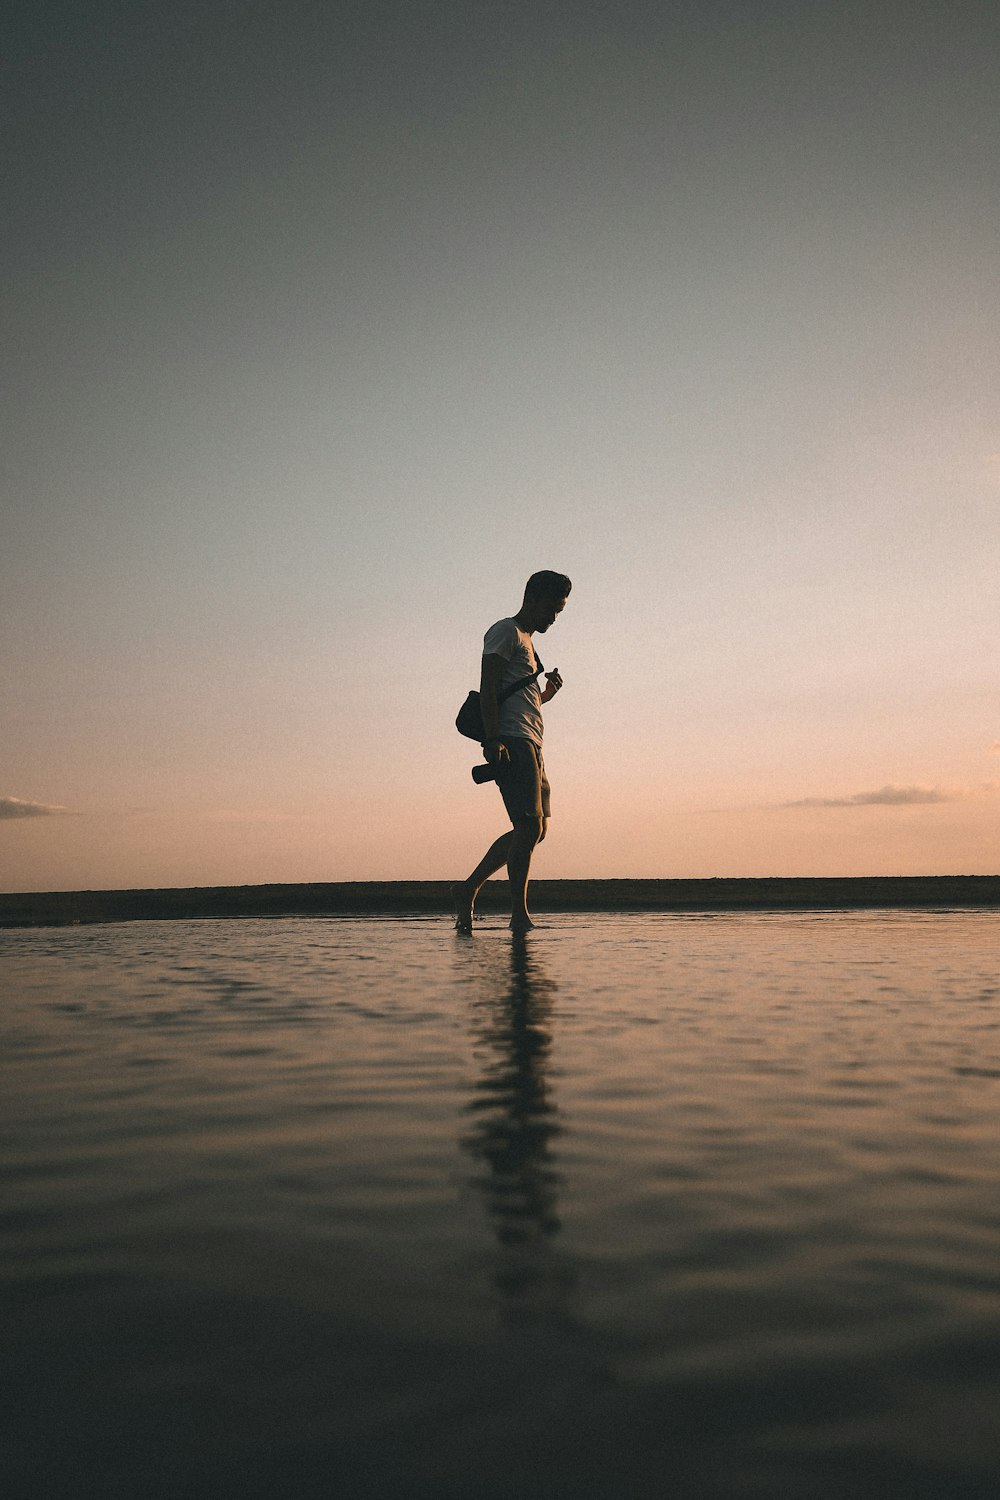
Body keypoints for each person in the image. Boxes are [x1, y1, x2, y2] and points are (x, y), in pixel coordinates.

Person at [453, 570, 571, 934]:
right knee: (528, 825)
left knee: (536, 830)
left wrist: (545, 694)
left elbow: (519, 698)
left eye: (560, 611)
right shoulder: (505, 631)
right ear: (532, 599)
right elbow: (488, 688)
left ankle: (468, 888)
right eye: (551, 608)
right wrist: (493, 739)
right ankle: (518, 915)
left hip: (533, 741)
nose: (554, 617)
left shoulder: (529, 645)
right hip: (512, 739)